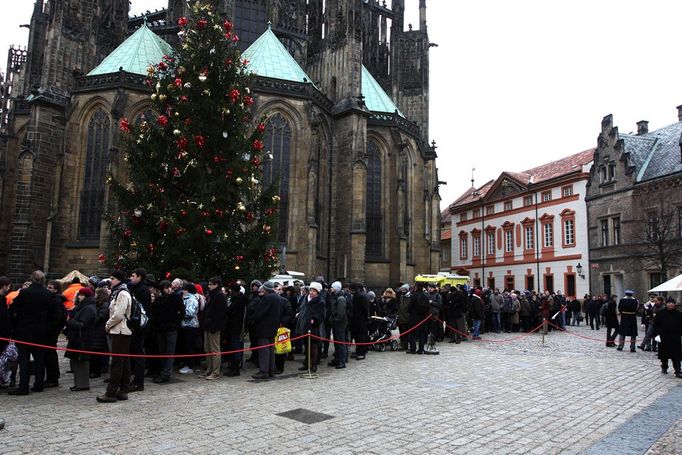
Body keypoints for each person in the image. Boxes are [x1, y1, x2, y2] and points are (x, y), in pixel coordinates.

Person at [8, 270, 51, 396]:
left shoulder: (25, 292)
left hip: (24, 331)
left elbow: (13, 307)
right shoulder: (47, 294)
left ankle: (23, 386)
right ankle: (38, 384)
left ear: (32, 279)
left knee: (24, 359)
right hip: (40, 331)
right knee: (39, 359)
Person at [97, 270, 132, 403]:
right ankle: (123, 390)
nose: (110, 281)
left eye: (112, 278)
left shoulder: (122, 293)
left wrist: (107, 325)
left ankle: (111, 392)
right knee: (124, 361)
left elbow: (118, 314)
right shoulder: (120, 292)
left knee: (118, 362)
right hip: (120, 331)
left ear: (119, 280)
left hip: (120, 331)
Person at [152, 281, 184, 386]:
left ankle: (166, 373)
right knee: (162, 351)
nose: (169, 290)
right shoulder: (160, 299)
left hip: (171, 328)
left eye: (170, 287)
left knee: (169, 352)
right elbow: (155, 314)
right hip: (161, 329)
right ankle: (163, 371)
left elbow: (182, 312)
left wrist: (175, 324)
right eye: (166, 288)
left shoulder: (176, 298)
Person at [65, 288, 97, 391]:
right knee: (77, 362)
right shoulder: (83, 307)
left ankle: (82, 384)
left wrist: (70, 321)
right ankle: (79, 384)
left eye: (81, 295)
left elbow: (82, 324)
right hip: (78, 338)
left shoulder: (88, 308)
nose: (78, 297)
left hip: (83, 339)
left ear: (86, 297)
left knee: (82, 362)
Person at [251, 281, 281, 379]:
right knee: (271, 349)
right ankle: (271, 370)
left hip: (264, 328)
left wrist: (254, 319)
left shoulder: (267, 298)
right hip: (273, 327)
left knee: (264, 349)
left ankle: (264, 370)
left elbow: (259, 313)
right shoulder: (277, 297)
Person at [127, 268, 150, 391]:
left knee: (138, 354)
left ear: (140, 277)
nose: (131, 278)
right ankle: (134, 379)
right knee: (134, 353)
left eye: (133, 276)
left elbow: (141, 310)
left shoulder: (142, 290)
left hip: (139, 327)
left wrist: (137, 325)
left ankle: (138, 382)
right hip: (134, 326)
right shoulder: (133, 288)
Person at [203, 277, 227, 380]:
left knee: (215, 350)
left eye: (211, 284)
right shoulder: (212, 295)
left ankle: (215, 372)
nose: (209, 286)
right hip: (208, 326)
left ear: (216, 284)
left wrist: (215, 326)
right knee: (207, 348)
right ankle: (209, 369)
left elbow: (220, 314)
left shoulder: (219, 296)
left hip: (214, 327)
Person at [44, 280, 67, 387]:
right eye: (47, 287)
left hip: (51, 332)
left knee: (50, 355)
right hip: (50, 331)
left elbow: (57, 319)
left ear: (56, 290)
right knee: (49, 355)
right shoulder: (52, 299)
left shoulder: (56, 302)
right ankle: (51, 377)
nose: (48, 289)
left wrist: (49, 328)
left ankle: (53, 378)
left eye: (50, 288)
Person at [653, 298, 682, 377]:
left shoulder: (679, 314)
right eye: (669, 303)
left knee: (676, 355)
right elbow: (655, 324)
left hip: (675, 337)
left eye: (672, 303)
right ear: (666, 304)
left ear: (674, 304)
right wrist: (657, 334)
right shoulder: (660, 313)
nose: (671, 304)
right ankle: (664, 367)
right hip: (663, 336)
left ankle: (678, 370)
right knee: (664, 354)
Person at [223, 284, 247, 377]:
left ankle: (235, 368)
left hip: (236, 327)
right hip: (233, 327)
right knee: (233, 347)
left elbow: (230, 311)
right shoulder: (237, 299)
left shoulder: (238, 300)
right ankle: (233, 367)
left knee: (235, 347)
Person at [177, 283, 200, 379]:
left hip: (190, 326)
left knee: (189, 346)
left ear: (188, 290)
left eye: (185, 289)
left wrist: (179, 312)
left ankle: (190, 365)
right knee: (185, 346)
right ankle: (186, 363)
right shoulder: (184, 299)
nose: (183, 291)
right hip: (185, 326)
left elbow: (190, 312)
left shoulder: (192, 300)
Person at [89, 283, 111, 379]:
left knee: (98, 352)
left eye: (97, 294)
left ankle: (97, 370)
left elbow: (100, 317)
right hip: (97, 331)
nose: (95, 296)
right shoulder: (98, 304)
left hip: (100, 331)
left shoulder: (104, 305)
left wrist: (91, 318)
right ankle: (94, 370)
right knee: (94, 351)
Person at [328, 281, 348, 369]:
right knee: (337, 342)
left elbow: (340, 313)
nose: (331, 289)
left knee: (340, 342)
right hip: (336, 323)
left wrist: (334, 320)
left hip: (339, 324)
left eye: (332, 287)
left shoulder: (340, 299)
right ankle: (337, 359)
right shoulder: (336, 297)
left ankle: (342, 361)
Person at [407, 283, 430, 352]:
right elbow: (428, 307)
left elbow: (409, 307)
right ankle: (421, 349)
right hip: (423, 318)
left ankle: (413, 349)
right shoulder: (426, 296)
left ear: (416, 287)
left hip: (414, 317)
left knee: (412, 334)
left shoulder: (414, 296)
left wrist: (410, 311)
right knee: (422, 334)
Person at [349, 283, 369, 360]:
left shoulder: (359, 296)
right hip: (360, 319)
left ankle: (361, 352)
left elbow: (361, 309)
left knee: (360, 337)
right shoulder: (363, 294)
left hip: (359, 319)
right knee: (360, 336)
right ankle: (360, 351)